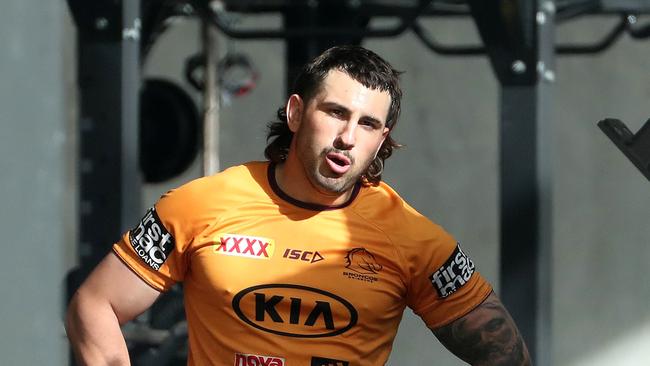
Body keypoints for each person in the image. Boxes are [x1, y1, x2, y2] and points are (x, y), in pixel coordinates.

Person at [66, 45, 530, 365]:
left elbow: (505, 355)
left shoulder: (415, 240)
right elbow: (93, 305)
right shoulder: (199, 205)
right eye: (335, 112)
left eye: (368, 124)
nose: (348, 136)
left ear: (381, 139)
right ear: (295, 113)